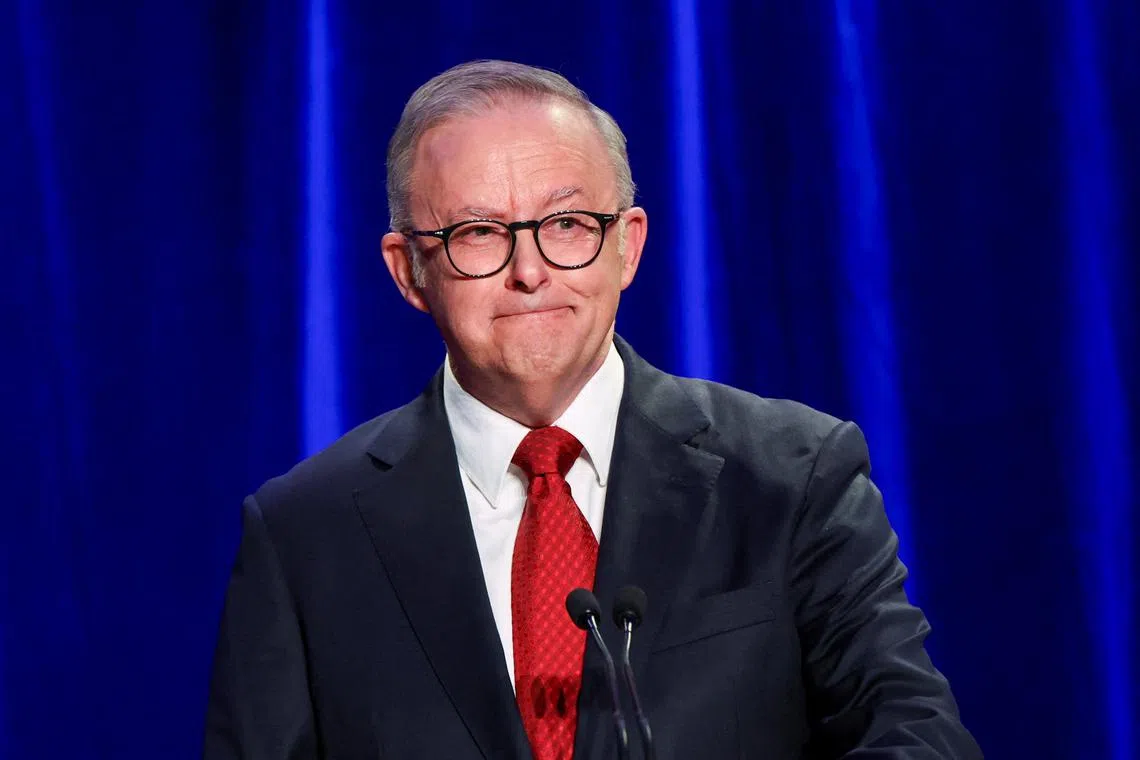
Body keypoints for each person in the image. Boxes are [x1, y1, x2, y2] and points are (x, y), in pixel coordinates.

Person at [204, 60, 981, 759]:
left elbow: (918, 737)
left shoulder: (793, 477)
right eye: (479, 233)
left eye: (567, 225)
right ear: (408, 271)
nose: (530, 270)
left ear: (627, 246)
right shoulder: (304, 533)